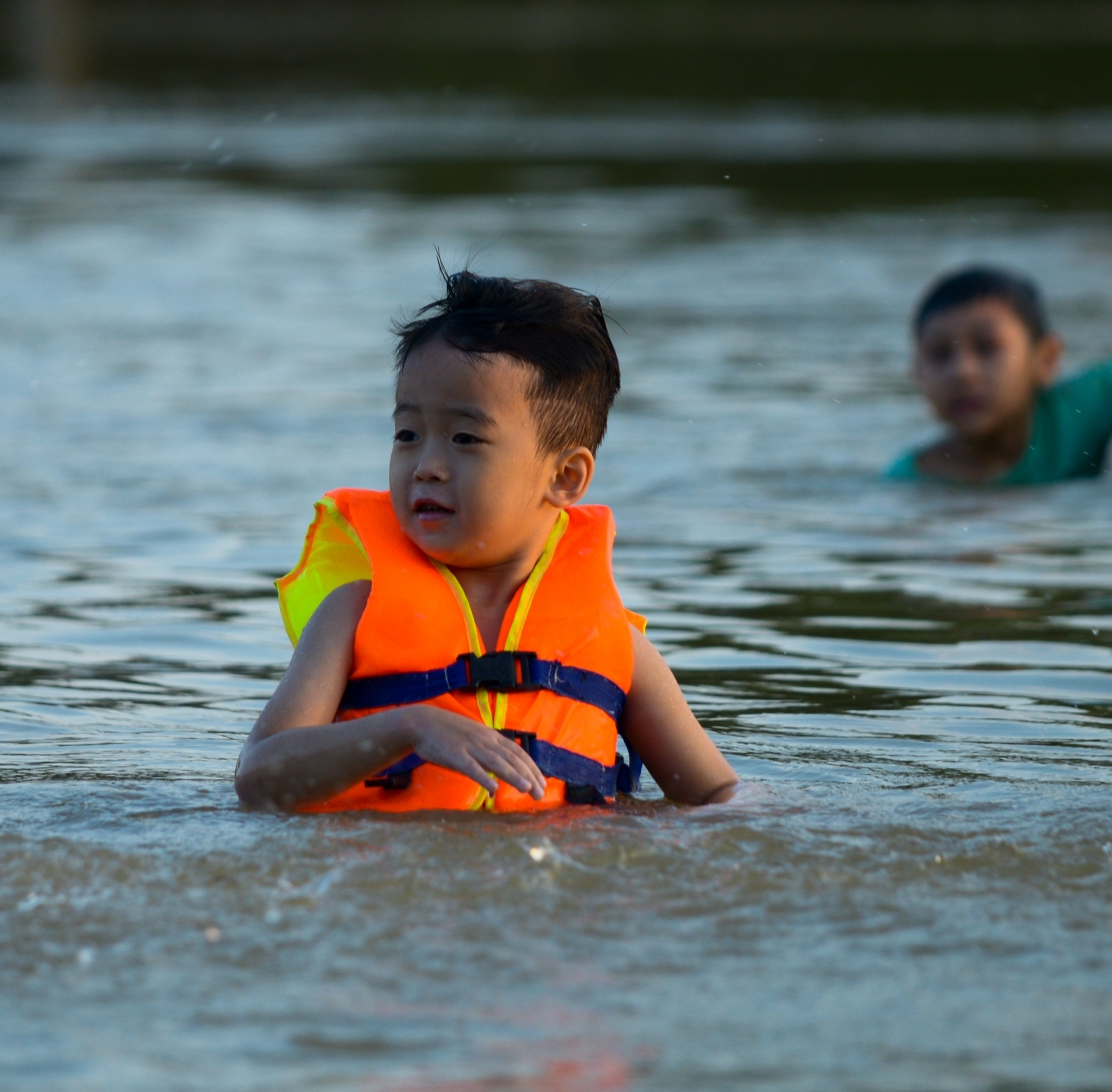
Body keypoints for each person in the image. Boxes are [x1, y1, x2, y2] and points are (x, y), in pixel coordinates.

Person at [235, 269, 738, 812]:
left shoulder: (619, 646)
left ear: (565, 477)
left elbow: (718, 795)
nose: (426, 466)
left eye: (465, 438)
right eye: (407, 434)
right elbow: (258, 777)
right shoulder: (352, 613)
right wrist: (408, 727)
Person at [887, 265, 1112, 486]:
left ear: (1045, 360)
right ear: (918, 374)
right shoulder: (910, 481)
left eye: (986, 348)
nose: (962, 372)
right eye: (940, 355)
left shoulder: (1078, 408)